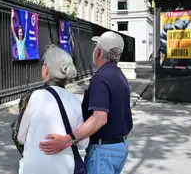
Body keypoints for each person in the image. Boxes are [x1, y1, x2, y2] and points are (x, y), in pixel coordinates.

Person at [39, 31, 133, 174]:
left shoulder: (101, 78)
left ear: (98, 52)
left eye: (96, 46)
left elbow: (99, 118)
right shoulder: (119, 75)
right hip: (120, 147)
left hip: (104, 151)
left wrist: (67, 140)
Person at [16, 45, 89, 174]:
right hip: (66, 169)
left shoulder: (37, 96)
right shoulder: (76, 101)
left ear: (46, 69)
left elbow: (21, 137)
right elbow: (83, 143)